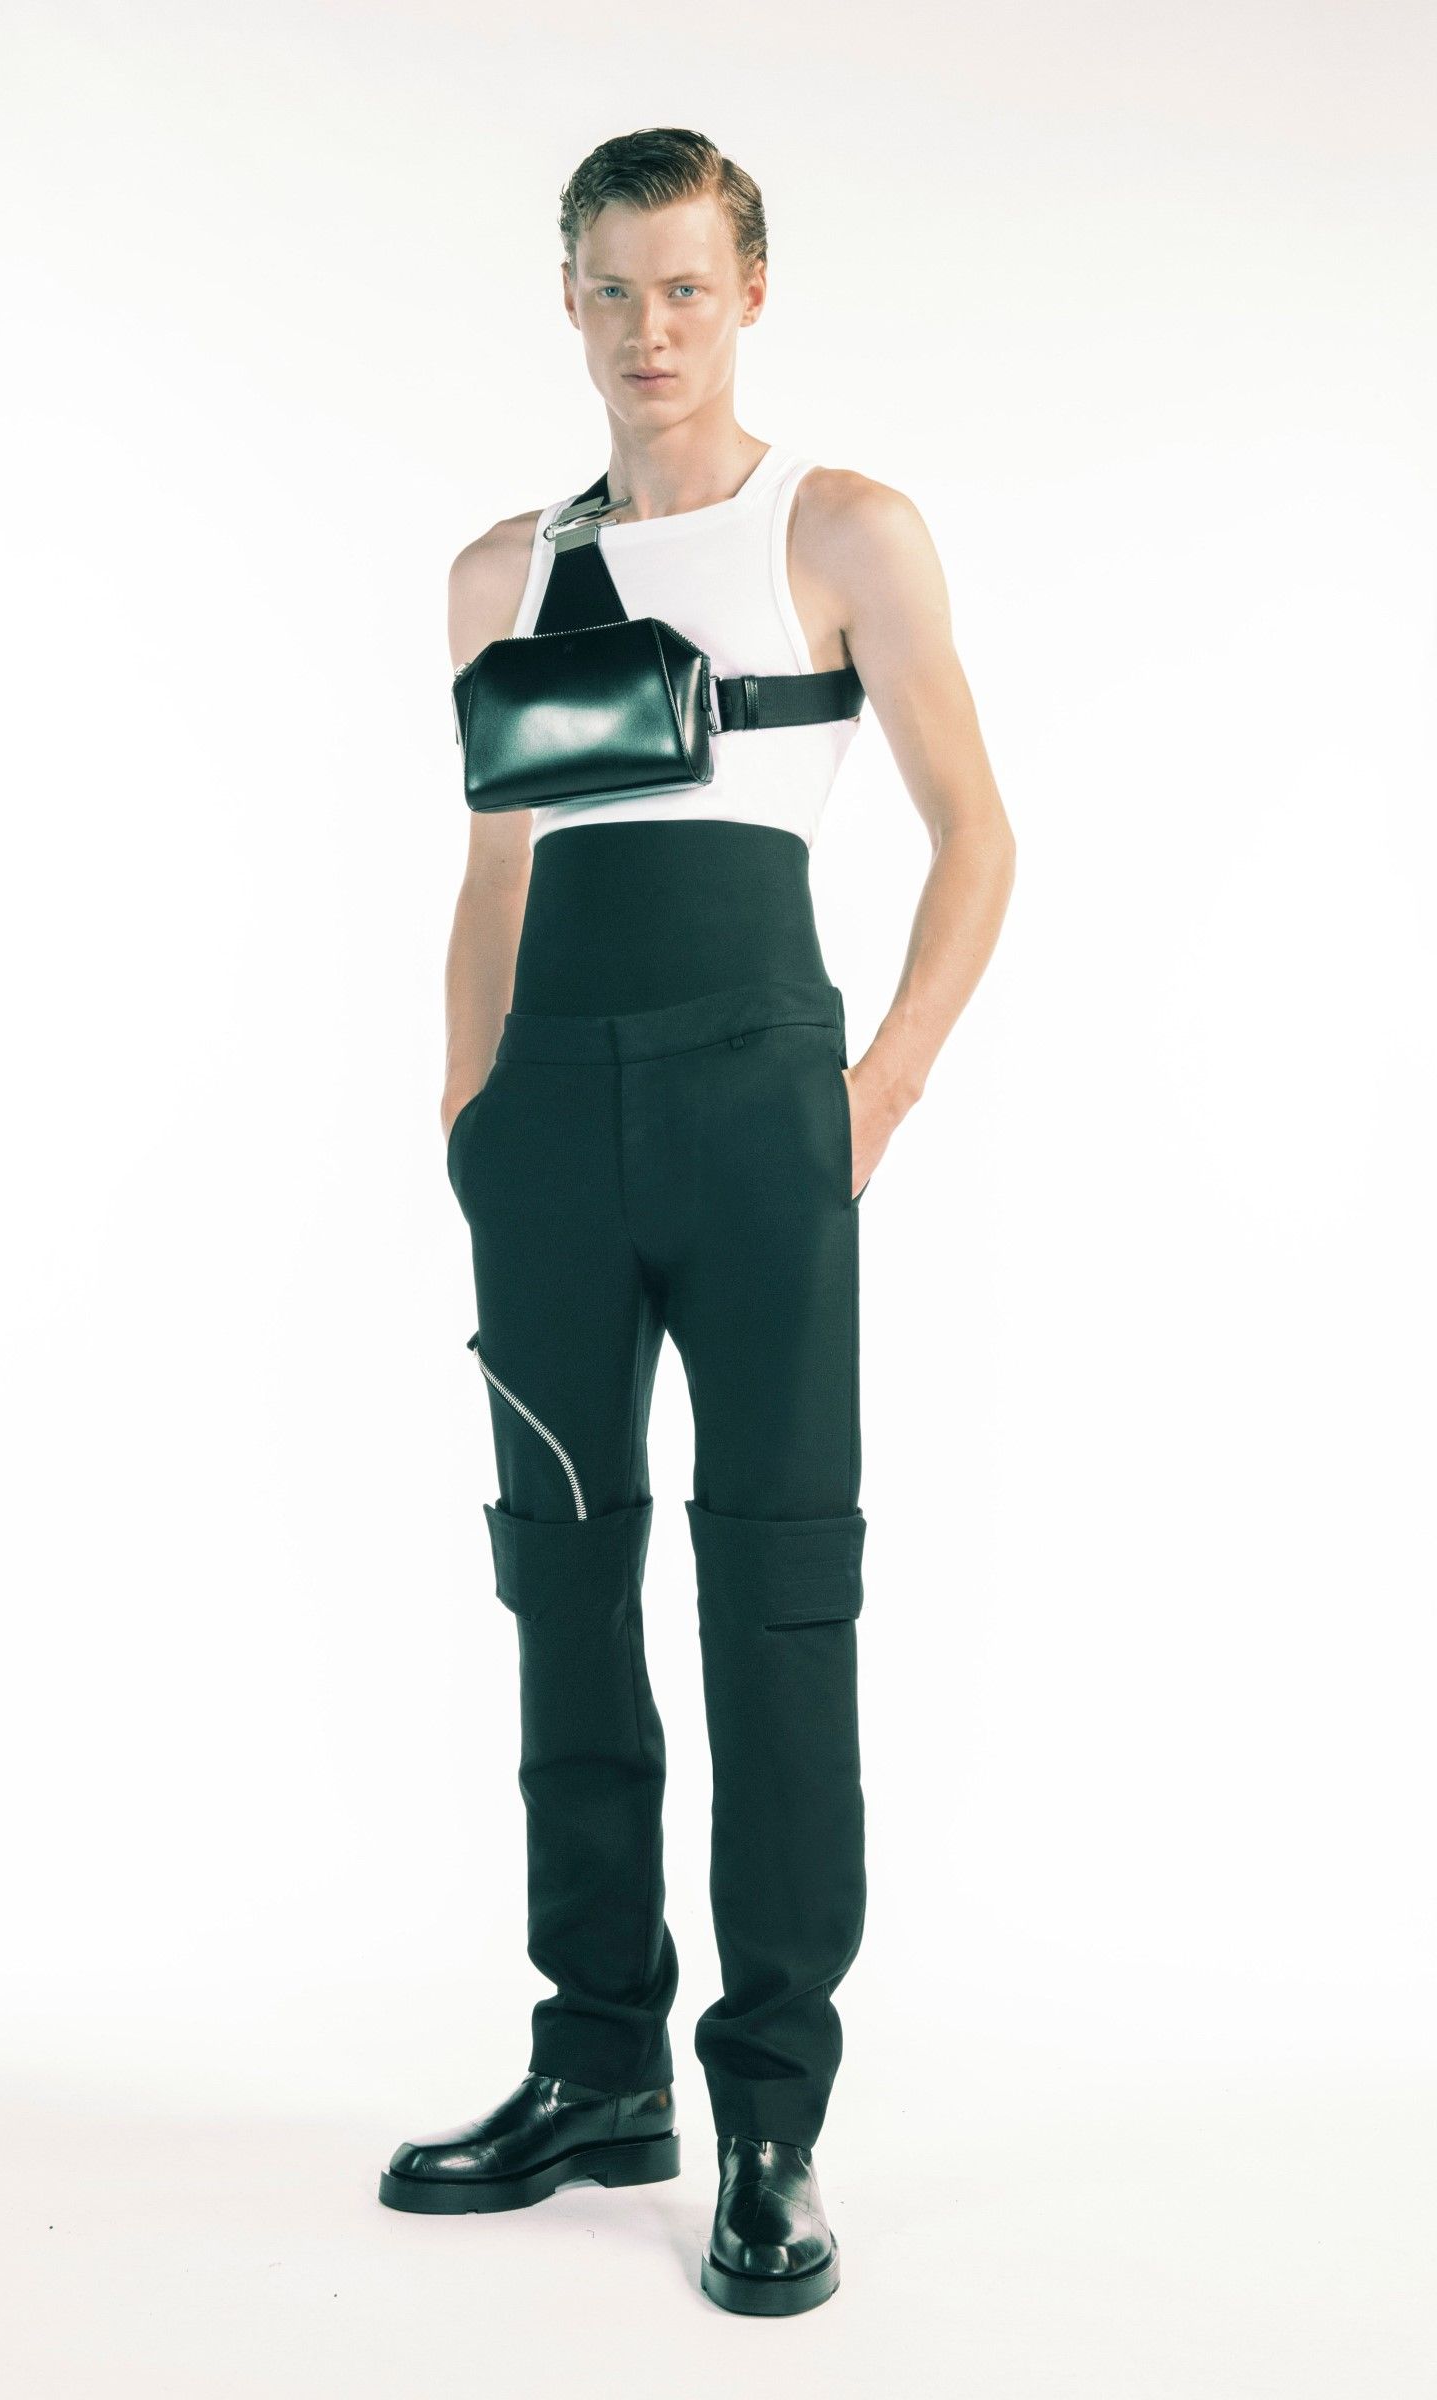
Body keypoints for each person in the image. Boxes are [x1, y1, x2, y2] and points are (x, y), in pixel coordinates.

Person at [379, 126, 1016, 2316]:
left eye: (684, 287)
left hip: (765, 1111)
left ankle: (769, 2121)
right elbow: (492, 876)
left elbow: (976, 834)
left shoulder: (838, 528)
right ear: (565, 301)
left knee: (776, 1599)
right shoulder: (499, 573)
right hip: (546, 1124)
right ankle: (593, 2067)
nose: (646, 329)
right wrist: (470, 1113)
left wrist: (873, 1095)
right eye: (610, 290)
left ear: (748, 294)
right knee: (559, 1588)